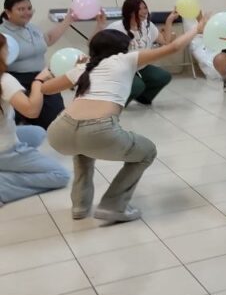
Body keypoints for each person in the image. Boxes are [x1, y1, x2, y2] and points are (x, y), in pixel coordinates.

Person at [43, 20, 204, 222]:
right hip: (98, 131)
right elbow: (173, 47)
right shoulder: (124, 60)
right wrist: (196, 29)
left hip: (59, 132)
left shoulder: (84, 67)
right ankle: (113, 205)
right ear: (121, 49)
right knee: (146, 152)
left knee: (83, 151)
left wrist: (46, 74)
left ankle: (80, 206)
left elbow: (46, 89)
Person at [0, 34, 68, 207]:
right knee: (60, 175)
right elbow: (31, 111)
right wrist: (38, 82)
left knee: (37, 132)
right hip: (4, 149)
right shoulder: (4, 81)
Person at [0, 0, 77, 128]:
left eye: (29, 8)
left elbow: (48, 39)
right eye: (21, 9)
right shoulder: (2, 32)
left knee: (55, 121)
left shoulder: (32, 28)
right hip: (16, 80)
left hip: (42, 78)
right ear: (8, 12)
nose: (27, 12)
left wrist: (69, 19)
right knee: (18, 121)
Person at [105, 0, 177, 106]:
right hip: (121, 69)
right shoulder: (116, 28)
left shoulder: (148, 26)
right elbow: (98, 45)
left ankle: (143, 97)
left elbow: (165, 42)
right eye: (140, 9)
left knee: (163, 76)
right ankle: (114, 103)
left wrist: (169, 21)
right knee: (138, 85)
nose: (144, 11)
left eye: (145, 8)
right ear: (130, 12)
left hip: (140, 67)